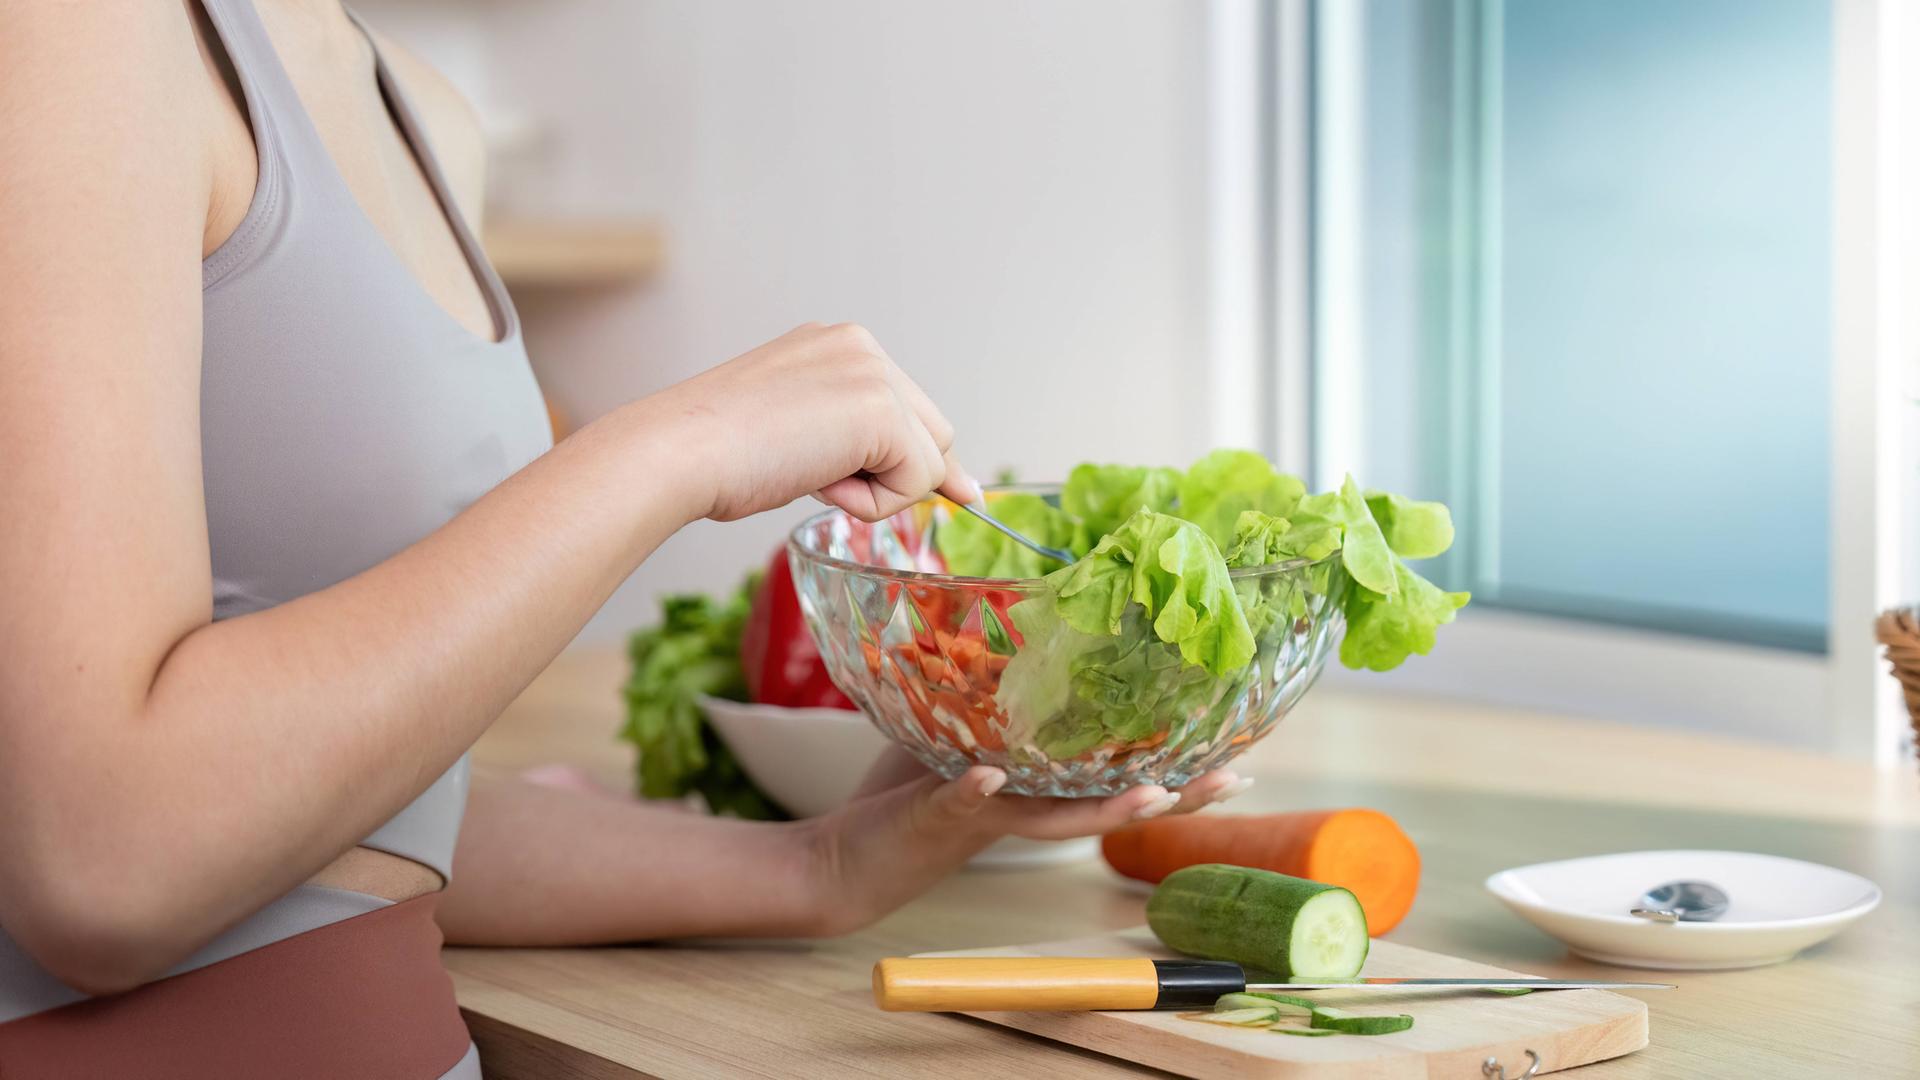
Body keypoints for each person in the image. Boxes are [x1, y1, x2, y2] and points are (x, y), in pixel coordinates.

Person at [0, 2, 1250, 1076]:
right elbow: (104, 868)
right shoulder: (78, 30)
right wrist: (680, 446)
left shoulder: (422, 116)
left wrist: (826, 866)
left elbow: (359, 821)